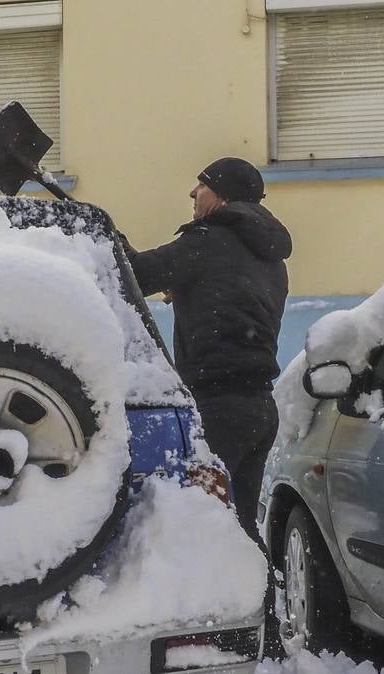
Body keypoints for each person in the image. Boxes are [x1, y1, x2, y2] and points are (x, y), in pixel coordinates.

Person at [127, 157, 292, 542]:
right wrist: (190, 289)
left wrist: (108, 237)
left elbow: (135, 275)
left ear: (220, 195)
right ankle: (260, 601)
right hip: (259, 409)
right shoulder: (268, 258)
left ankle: (215, 603)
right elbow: (230, 293)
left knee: (203, 528)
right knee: (243, 527)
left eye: (200, 185)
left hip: (216, 408)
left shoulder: (207, 242)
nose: (192, 193)